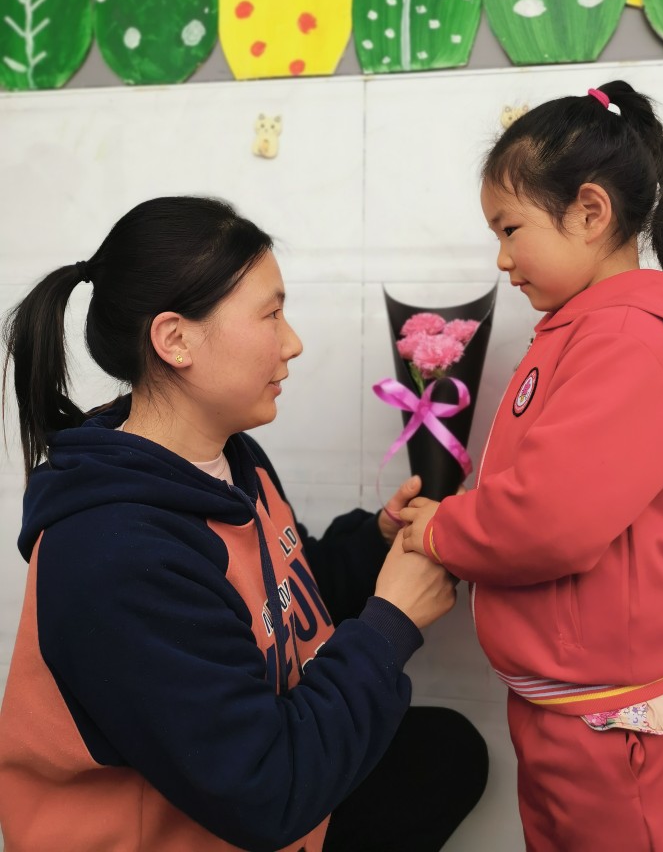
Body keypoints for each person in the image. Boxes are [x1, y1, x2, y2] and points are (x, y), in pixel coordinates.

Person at [0, 195, 488, 852]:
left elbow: (283, 594)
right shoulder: (114, 554)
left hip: (257, 778)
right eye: (271, 314)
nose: (293, 343)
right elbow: (264, 792)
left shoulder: (234, 457)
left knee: (448, 754)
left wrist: (378, 540)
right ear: (175, 340)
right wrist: (392, 623)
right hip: (210, 818)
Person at [400, 81, 663, 852]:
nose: (503, 258)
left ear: (589, 211)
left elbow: (549, 518)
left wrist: (443, 530)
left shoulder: (630, 344)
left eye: (510, 228)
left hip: (621, 732)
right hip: (575, 712)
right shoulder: (585, 333)